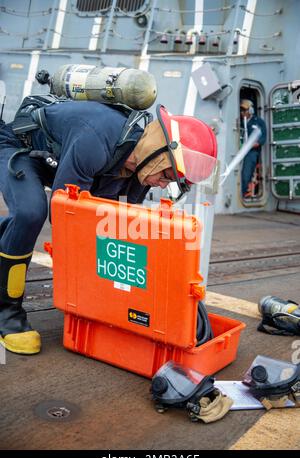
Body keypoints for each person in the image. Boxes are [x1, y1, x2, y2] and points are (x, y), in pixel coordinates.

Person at [0, 98, 217, 355]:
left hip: (59, 160)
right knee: (30, 212)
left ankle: (8, 240)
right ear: (160, 151)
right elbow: (66, 218)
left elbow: (119, 230)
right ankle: (7, 312)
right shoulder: (97, 139)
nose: (161, 185)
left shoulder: (144, 167)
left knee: (109, 228)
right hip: (20, 148)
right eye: (168, 176)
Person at [240, 99, 267, 198]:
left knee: (246, 174)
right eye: (241, 110)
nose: (242, 112)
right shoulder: (240, 121)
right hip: (239, 150)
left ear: (251, 110)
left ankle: (242, 194)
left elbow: (262, 139)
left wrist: (252, 144)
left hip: (251, 152)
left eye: (245, 110)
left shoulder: (259, 122)